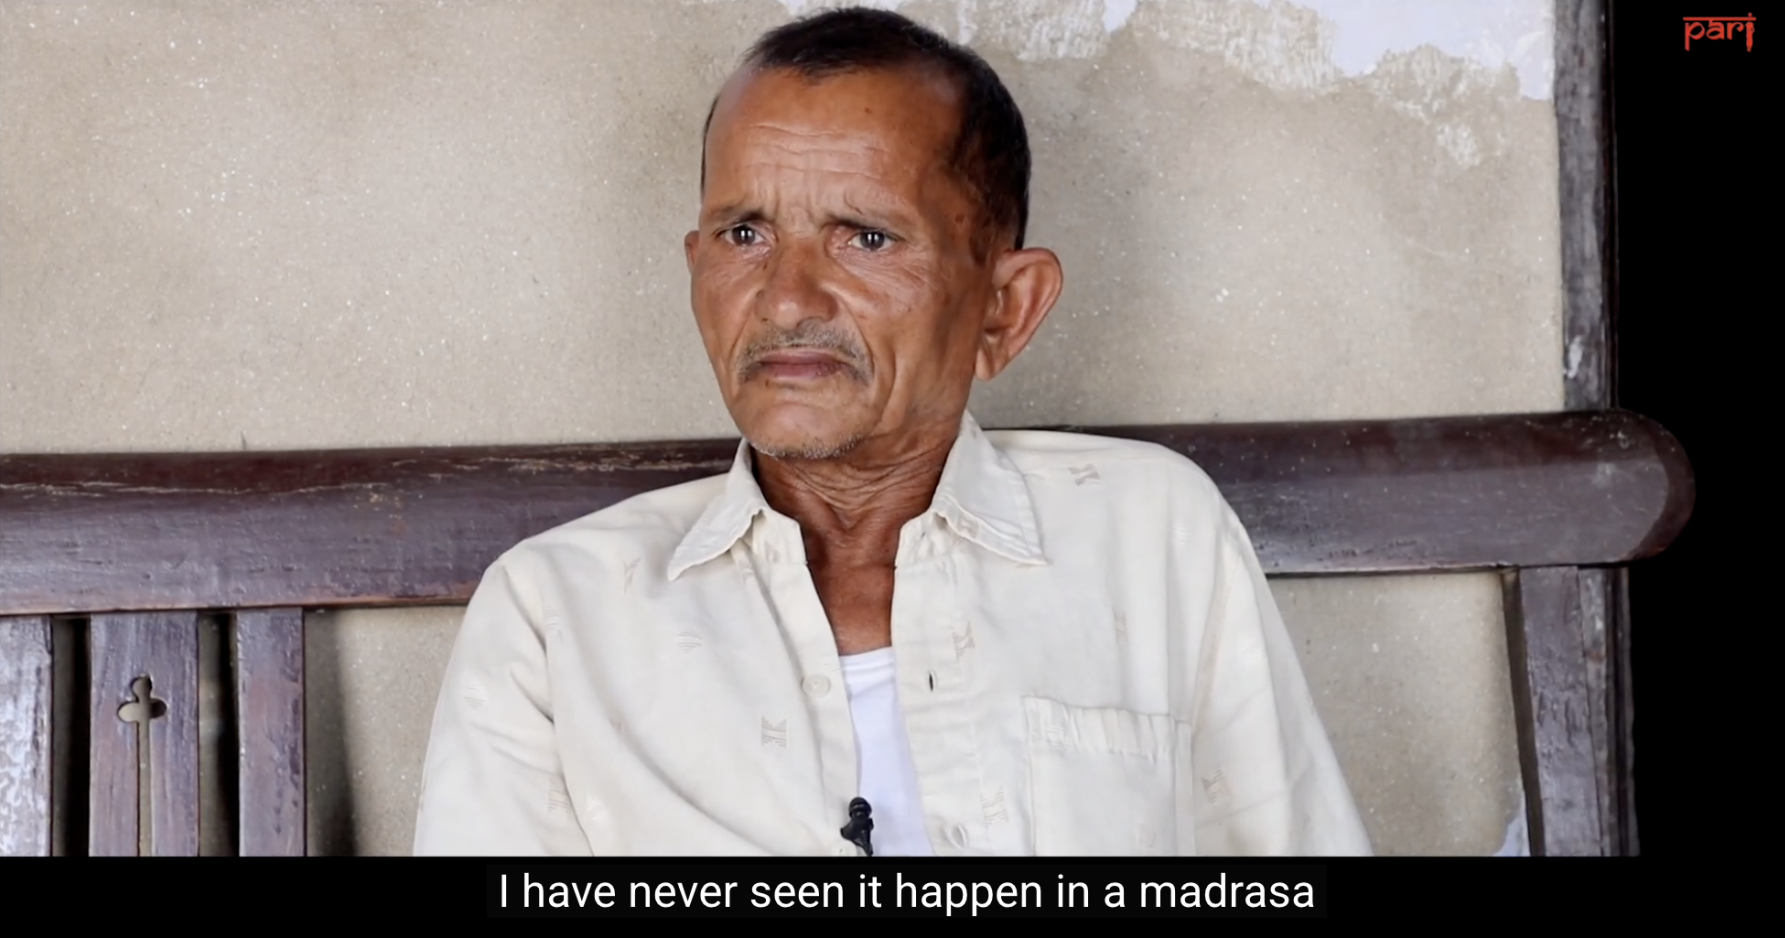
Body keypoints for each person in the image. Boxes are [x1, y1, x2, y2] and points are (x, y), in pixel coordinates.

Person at [412, 6, 1370, 857]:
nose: (786, 299)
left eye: (866, 237)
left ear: (1004, 309)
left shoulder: (1149, 535)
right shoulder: (559, 614)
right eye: (745, 234)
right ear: (696, 268)